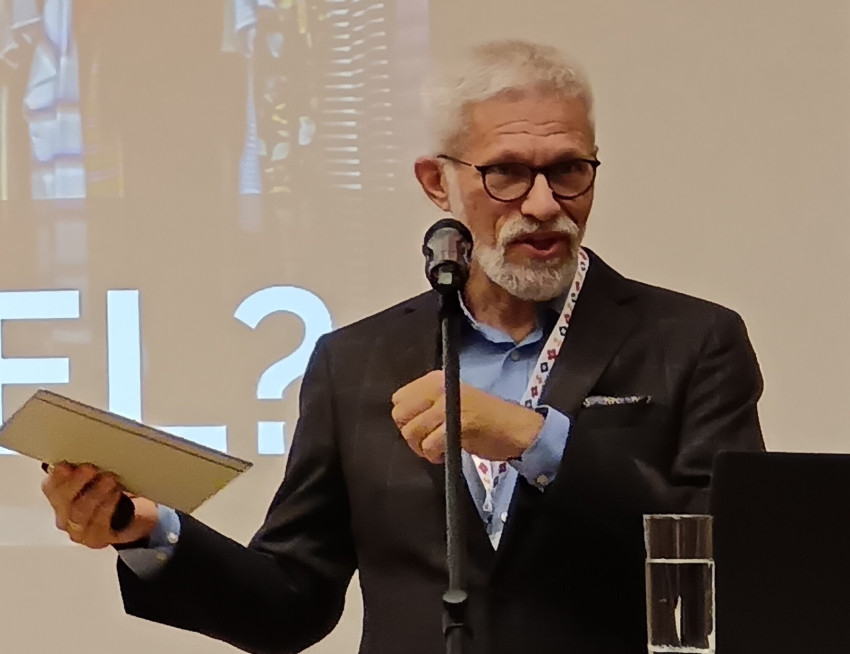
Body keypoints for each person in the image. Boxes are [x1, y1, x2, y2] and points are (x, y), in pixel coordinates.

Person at [40, 39, 765, 654]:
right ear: (436, 183)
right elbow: (292, 599)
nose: (544, 204)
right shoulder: (355, 361)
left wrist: (536, 441)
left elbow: (735, 556)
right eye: (507, 172)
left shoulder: (692, 340)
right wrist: (147, 531)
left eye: (569, 169)